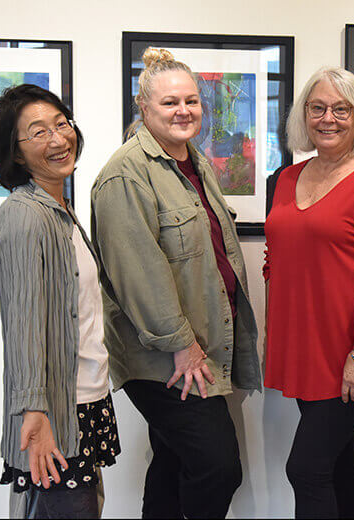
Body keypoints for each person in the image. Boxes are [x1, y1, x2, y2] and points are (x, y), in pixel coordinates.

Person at [90, 48, 261, 519]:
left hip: (198, 347)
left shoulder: (193, 161)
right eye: (169, 103)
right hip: (166, 357)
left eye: (191, 101)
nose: (183, 111)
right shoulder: (125, 175)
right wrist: (182, 346)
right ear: (143, 108)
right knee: (217, 466)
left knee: (172, 460)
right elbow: (139, 276)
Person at [263, 66, 354, 519]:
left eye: (341, 109)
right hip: (302, 347)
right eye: (317, 108)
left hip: (348, 352)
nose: (328, 118)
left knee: (307, 470)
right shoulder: (286, 178)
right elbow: (279, 260)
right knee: (339, 465)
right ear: (303, 115)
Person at [0, 84, 120, 518]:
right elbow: (23, 324)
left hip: (85, 399)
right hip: (53, 412)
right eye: (39, 132)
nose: (59, 139)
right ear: (16, 152)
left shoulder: (59, 209)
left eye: (61, 124)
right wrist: (35, 415)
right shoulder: (24, 213)